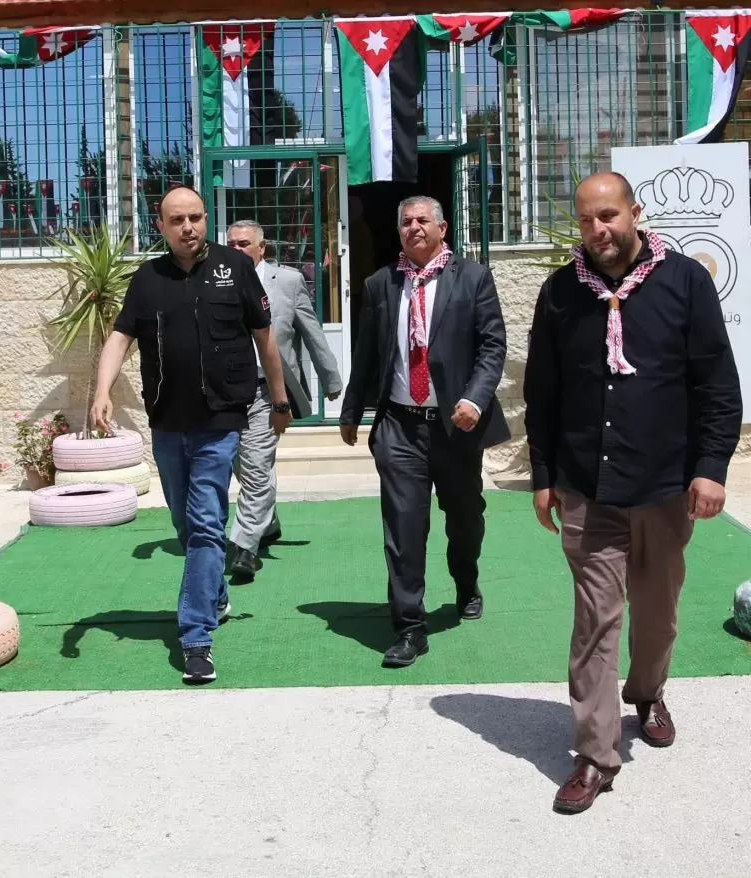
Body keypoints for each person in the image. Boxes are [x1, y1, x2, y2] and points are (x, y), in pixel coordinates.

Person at [523, 171, 742, 814]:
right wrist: (543, 475)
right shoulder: (561, 293)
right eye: (586, 219)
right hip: (588, 487)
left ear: (635, 212)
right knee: (595, 619)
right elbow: (544, 393)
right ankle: (596, 754)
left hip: (666, 485)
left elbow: (717, 384)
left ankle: (647, 693)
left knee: (657, 611)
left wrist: (711, 468)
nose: (598, 230)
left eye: (609, 216)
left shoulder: (686, 282)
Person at [90, 186, 292, 685]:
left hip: (220, 420)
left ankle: (196, 637)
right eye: (177, 219)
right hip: (167, 422)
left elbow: (264, 338)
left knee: (204, 524)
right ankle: (215, 595)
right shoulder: (147, 279)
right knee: (185, 523)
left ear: (206, 219)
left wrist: (280, 400)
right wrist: (101, 391)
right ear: (160, 226)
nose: (188, 227)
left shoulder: (235, 267)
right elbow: (120, 337)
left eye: (196, 217)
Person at [339, 195, 509, 668]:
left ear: (441, 227)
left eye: (422, 220)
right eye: (406, 222)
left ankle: (466, 581)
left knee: (465, 518)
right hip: (400, 426)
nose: (413, 227)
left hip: (456, 427)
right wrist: (352, 410)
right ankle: (410, 626)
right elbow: (367, 352)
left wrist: (475, 398)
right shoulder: (380, 284)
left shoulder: (472, 278)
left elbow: (492, 345)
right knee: (403, 527)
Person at [225, 220, 343, 579]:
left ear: (262, 248)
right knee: (243, 464)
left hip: (267, 390)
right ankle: (269, 522)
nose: (236, 250)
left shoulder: (288, 281)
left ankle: (244, 546)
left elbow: (310, 329)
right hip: (227, 391)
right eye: (231, 244)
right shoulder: (216, 280)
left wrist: (330, 378)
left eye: (243, 243)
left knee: (257, 465)